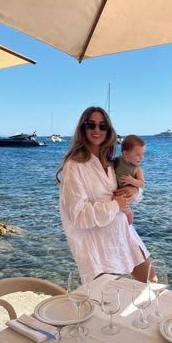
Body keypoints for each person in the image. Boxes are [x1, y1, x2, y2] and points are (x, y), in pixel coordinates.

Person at [56, 106, 153, 282]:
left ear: (109, 131)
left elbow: (131, 195)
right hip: (96, 245)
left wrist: (134, 190)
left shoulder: (111, 163)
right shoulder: (74, 166)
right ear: (82, 128)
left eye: (103, 126)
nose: (97, 130)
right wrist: (116, 205)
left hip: (124, 233)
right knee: (107, 303)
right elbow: (77, 215)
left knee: (151, 284)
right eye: (91, 125)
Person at [114, 135, 146, 225]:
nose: (142, 157)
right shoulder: (117, 161)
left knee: (123, 203)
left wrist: (132, 181)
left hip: (126, 193)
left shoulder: (137, 169)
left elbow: (142, 183)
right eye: (138, 155)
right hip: (117, 189)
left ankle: (129, 212)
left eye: (142, 154)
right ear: (126, 154)